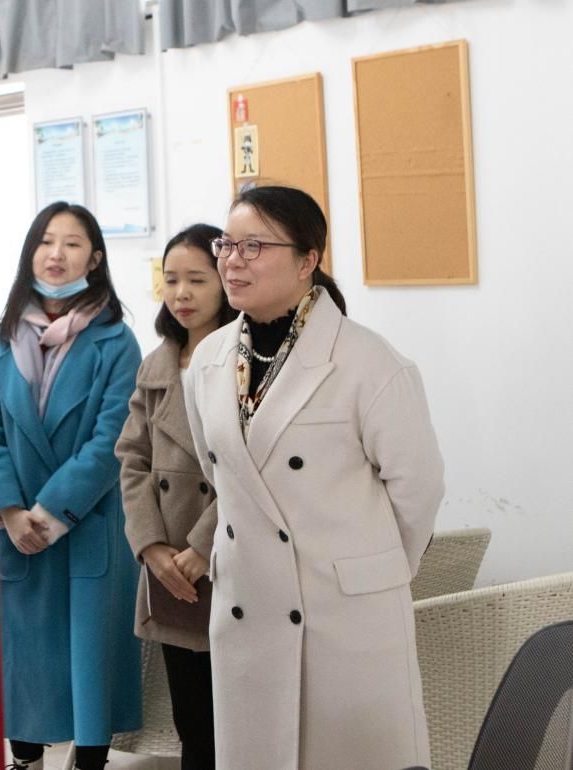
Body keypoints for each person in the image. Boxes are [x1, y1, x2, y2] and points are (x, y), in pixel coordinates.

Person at [182, 185, 444, 769]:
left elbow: (419, 490)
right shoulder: (208, 360)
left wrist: (368, 572)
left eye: (254, 246)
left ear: (308, 261)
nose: (233, 260)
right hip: (248, 611)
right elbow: (222, 473)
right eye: (227, 245)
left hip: (345, 619)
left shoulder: (368, 361)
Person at [0, 201, 142, 770]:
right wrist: (10, 510)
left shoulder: (117, 341)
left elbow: (113, 438)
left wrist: (49, 513)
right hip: (16, 527)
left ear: (95, 258)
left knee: (90, 669)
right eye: (46, 241)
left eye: (72, 243)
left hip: (85, 523)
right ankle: (26, 762)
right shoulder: (2, 340)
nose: (56, 254)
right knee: (25, 667)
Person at [115, 223, 236, 770]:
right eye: (171, 280)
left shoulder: (244, 360)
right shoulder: (157, 365)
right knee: (193, 721)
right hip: (170, 570)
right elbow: (132, 458)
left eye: (197, 280)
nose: (182, 293)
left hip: (226, 556)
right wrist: (151, 546)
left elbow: (252, 468)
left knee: (236, 718)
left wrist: (201, 545)